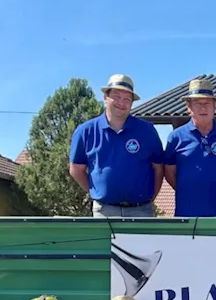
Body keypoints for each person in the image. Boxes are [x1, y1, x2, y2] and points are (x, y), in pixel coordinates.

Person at [69, 74, 164, 218]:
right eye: (116, 96)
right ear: (105, 97)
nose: (122, 102)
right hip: (104, 210)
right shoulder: (85, 131)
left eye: (127, 99)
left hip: (141, 210)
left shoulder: (147, 130)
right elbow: (76, 169)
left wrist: (151, 198)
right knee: (105, 242)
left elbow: (159, 168)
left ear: (132, 103)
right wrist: (96, 192)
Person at [163, 78, 216, 217]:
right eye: (197, 103)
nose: (203, 108)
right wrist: (188, 192)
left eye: (207, 103)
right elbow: (169, 173)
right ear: (188, 107)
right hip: (186, 215)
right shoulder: (175, 137)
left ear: (215, 106)